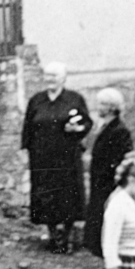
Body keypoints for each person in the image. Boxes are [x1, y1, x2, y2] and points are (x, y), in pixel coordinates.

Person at [22, 62, 93, 253]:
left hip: (67, 157)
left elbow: (87, 123)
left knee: (68, 194)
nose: (50, 79)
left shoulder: (74, 99)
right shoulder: (36, 100)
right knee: (46, 194)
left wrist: (77, 129)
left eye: (54, 76)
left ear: (63, 78)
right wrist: (28, 150)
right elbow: (28, 126)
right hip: (42, 158)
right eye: (47, 75)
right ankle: (53, 235)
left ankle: (68, 236)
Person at [83, 88, 134, 259]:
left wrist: (109, 175)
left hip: (108, 185)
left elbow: (120, 158)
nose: (99, 107)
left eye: (103, 104)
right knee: (99, 223)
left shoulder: (119, 130)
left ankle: (112, 263)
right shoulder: (105, 126)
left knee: (109, 225)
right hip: (100, 183)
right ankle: (106, 262)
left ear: (112, 107)